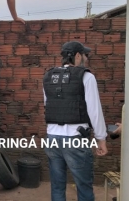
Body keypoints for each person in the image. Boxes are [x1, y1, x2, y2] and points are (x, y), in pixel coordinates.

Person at [42, 41, 108, 201]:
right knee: (84, 187)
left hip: (52, 138)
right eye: (85, 55)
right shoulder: (86, 76)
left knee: (57, 186)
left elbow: (48, 105)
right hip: (75, 139)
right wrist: (101, 139)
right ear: (77, 56)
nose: (86, 58)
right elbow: (95, 111)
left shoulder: (49, 76)